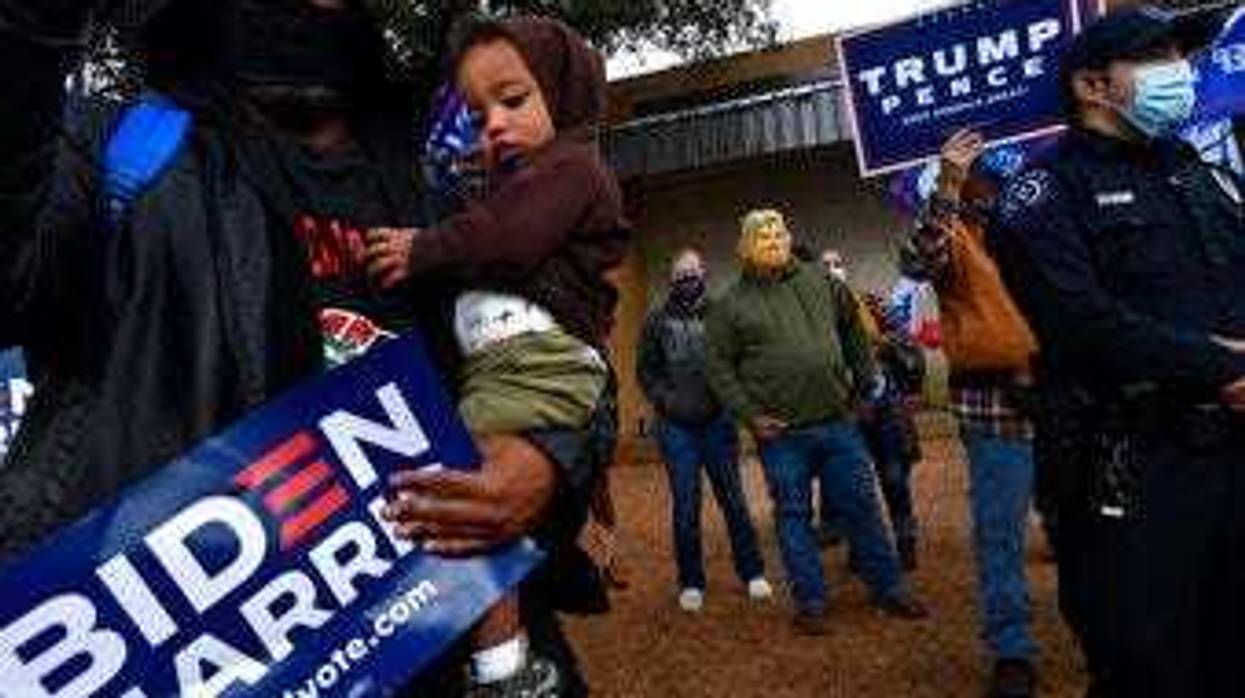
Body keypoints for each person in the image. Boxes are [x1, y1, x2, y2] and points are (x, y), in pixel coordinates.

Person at [0, 2, 611, 696]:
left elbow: (566, 327)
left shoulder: (450, 164)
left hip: (443, 646)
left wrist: (545, 457)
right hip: (200, 653)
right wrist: (29, 28)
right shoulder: (122, 148)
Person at [365, 16, 629, 695]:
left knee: (469, 502)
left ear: (563, 93)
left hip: (532, 363)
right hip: (505, 367)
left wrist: (419, 248)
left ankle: (503, 670)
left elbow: (505, 238)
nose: (494, 126)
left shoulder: (568, 168)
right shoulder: (517, 178)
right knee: (470, 502)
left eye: (513, 101)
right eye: (479, 113)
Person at [988, 8, 1245, 697]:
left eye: (1181, 54)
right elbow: (1081, 324)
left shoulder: (1190, 168)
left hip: (1230, 455)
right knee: (1147, 668)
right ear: (1091, 86)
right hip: (1132, 466)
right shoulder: (1043, 189)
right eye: (1156, 56)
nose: (1179, 71)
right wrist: (1223, 368)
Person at [706, 209, 928, 637]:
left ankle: (889, 587)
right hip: (781, 434)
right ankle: (810, 601)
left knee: (862, 503)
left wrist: (866, 382)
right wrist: (750, 416)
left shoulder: (821, 281)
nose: (771, 240)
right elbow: (718, 368)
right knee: (793, 516)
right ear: (744, 246)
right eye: (761, 235)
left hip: (837, 423)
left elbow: (852, 329)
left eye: (777, 232)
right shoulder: (730, 306)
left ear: (789, 236)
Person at [901, 128, 1041, 698]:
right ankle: (1013, 652)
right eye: (982, 182)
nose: (996, 191)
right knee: (1000, 533)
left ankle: (1102, 627)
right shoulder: (953, 236)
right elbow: (917, 259)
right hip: (995, 408)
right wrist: (949, 184)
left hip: (1066, 400)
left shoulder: (1045, 228)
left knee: (1089, 525)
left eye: (1001, 181)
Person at [637, 247, 772, 612]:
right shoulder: (656, 320)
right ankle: (691, 581)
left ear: (704, 273)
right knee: (685, 506)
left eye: (692, 274)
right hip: (676, 428)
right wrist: (665, 401)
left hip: (718, 422)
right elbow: (646, 371)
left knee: (734, 500)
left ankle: (753, 572)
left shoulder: (722, 313)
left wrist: (730, 400)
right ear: (671, 281)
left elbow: (738, 360)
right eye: (680, 277)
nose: (686, 282)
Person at [818, 250, 925, 568]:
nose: (833, 270)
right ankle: (861, 548)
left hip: (885, 406)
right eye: (825, 266)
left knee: (894, 478)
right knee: (854, 482)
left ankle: (906, 542)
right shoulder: (812, 316)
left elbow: (907, 341)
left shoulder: (871, 303)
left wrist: (876, 346)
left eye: (838, 263)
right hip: (846, 412)